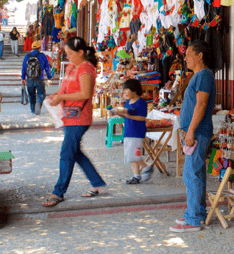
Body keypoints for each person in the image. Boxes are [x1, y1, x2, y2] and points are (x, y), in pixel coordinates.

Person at [42, 36, 106, 207]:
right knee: (74, 152)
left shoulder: (86, 68)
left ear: (81, 52)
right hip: (68, 116)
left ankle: (58, 192)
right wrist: (56, 95)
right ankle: (97, 182)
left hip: (79, 118)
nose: (68, 57)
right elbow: (64, 89)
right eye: (66, 54)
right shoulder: (72, 67)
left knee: (66, 154)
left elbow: (85, 93)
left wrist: (61, 96)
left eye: (70, 54)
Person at [170, 40, 216, 233]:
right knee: (195, 173)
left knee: (192, 174)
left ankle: (194, 219)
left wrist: (190, 132)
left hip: (197, 132)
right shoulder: (198, 76)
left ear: (200, 56)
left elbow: (201, 105)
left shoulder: (204, 75)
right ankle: (195, 212)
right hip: (194, 131)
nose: (185, 58)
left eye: (189, 54)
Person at [111, 79, 153, 184]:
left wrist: (129, 116)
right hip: (128, 131)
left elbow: (143, 118)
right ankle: (136, 175)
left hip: (137, 132)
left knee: (134, 155)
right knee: (130, 155)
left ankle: (147, 166)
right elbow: (126, 117)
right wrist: (118, 113)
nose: (124, 93)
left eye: (126, 90)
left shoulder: (141, 102)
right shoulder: (128, 103)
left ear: (134, 90)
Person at [21, 41, 51, 115]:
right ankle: (39, 101)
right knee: (41, 93)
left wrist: (23, 78)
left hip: (29, 79)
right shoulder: (43, 56)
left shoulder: (27, 56)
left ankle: (32, 110)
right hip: (39, 79)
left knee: (31, 95)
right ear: (39, 47)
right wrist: (49, 77)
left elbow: (24, 68)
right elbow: (47, 67)